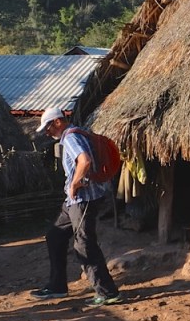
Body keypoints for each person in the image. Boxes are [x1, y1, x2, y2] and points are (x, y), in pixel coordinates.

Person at [30, 108, 122, 306]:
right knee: (55, 235)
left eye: (48, 127)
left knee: (84, 244)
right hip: (74, 201)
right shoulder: (74, 135)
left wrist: (75, 184)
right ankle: (57, 287)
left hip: (82, 199)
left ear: (57, 122)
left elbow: (85, 160)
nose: (47, 132)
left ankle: (107, 292)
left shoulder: (71, 138)